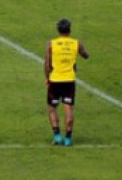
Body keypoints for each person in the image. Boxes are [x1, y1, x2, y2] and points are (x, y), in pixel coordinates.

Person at [45, 18, 89, 147]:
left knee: (52, 108)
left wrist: (47, 78)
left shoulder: (51, 44)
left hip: (55, 80)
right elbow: (86, 55)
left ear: (58, 30)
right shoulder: (76, 43)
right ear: (70, 29)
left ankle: (57, 135)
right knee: (68, 108)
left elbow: (47, 64)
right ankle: (68, 138)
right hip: (69, 80)